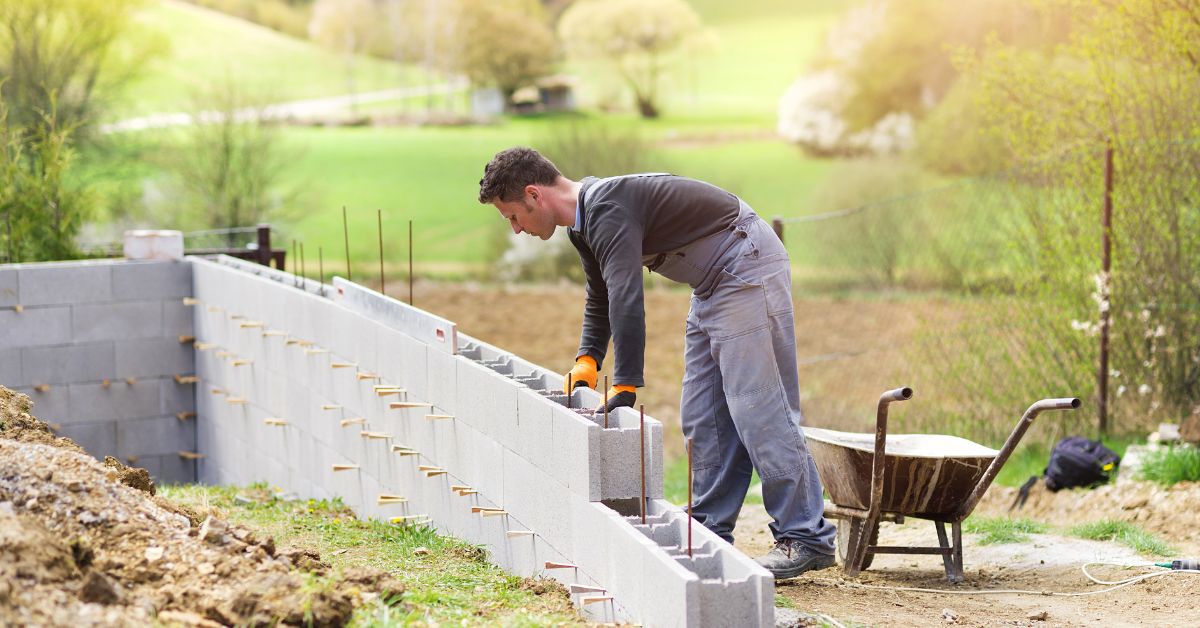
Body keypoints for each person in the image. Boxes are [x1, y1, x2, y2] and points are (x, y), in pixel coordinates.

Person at [477, 147, 837, 579]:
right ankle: (709, 525)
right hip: (710, 286)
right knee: (704, 414)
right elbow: (602, 297)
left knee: (757, 405)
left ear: (534, 195)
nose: (516, 229)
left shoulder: (607, 208)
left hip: (745, 266)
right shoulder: (583, 227)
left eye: (512, 216)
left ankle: (806, 536)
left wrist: (626, 381)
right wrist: (587, 359)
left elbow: (628, 297)